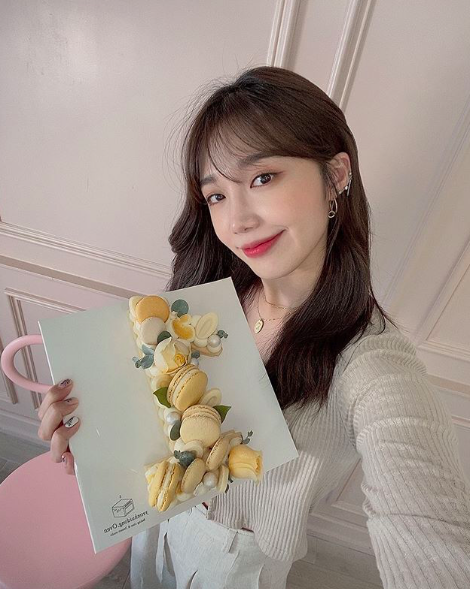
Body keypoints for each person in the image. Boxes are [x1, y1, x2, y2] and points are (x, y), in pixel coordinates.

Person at [37, 66, 470, 589]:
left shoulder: (371, 364)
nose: (237, 220)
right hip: (162, 515)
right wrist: (95, 440)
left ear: (335, 176)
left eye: (262, 178)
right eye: (216, 195)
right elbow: (166, 421)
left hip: (236, 560)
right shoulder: (210, 298)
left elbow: (427, 532)